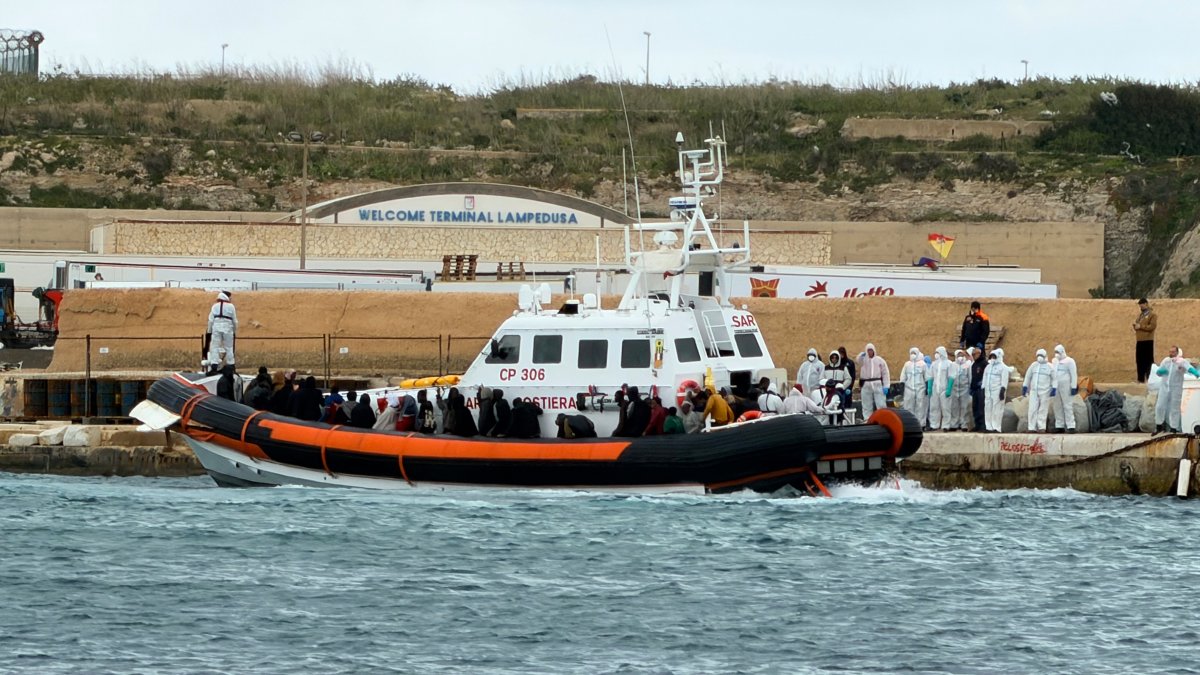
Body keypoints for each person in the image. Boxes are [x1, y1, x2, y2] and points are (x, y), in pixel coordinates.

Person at [1154, 347, 1199, 434]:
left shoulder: (1181, 362)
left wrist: (1195, 373)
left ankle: (1173, 428)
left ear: (1177, 353)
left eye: (1173, 352)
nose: (1171, 353)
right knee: (1160, 406)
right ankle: (1159, 426)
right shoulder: (1166, 361)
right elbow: (1158, 372)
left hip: (1176, 389)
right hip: (1164, 388)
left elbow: (1189, 367)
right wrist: (1160, 371)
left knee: (1174, 408)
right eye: (1170, 352)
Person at [1023, 348, 1055, 432]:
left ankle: (1041, 427)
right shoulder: (1033, 365)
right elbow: (1028, 376)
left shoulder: (1050, 366)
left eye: (1041, 356)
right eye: (1038, 355)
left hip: (1045, 391)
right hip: (1034, 391)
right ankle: (1031, 427)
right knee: (1032, 408)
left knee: (1043, 409)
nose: (1039, 357)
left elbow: (1055, 378)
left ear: (1045, 356)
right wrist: (1025, 386)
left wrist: (1054, 388)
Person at [982, 348, 1014, 432]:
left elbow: (1004, 379)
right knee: (988, 409)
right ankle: (988, 427)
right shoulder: (988, 367)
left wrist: (1002, 389)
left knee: (997, 410)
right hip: (988, 391)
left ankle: (996, 427)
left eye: (994, 357)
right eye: (991, 356)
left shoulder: (1003, 368)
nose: (992, 358)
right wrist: (983, 387)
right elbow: (985, 377)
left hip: (997, 391)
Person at [857, 343, 891, 419]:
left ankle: (883, 419)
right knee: (866, 405)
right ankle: (867, 420)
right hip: (866, 384)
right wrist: (861, 356)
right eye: (868, 350)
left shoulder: (880, 360)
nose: (869, 352)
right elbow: (858, 361)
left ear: (874, 350)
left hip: (877, 383)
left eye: (871, 350)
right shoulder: (863, 360)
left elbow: (885, 373)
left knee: (881, 404)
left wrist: (886, 386)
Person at [1051, 344, 1079, 433]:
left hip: (1066, 386)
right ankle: (1059, 425)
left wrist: (1073, 386)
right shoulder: (1054, 361)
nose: (1056, 354)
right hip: (1056, 386)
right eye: (1055, 352)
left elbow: (1073, 375)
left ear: (1062, 351)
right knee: (1057, 405)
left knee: (1067, 405)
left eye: (1058, 352)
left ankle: (1071, 425)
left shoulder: (1070, 361)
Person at [206, 291, 238, 369]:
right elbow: (235, 321)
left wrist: (209, 331)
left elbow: (210, 320)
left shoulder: (214, 306)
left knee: (215, 347)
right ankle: (231, 365)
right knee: (229, 347)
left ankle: (214, 365)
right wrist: (234, 331)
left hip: (216, 327)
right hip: (228, 328)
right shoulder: (231, 306)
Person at [900, 346, 930, 426]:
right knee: (908, 406)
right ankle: (909, 424)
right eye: (911, 353)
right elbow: (903, 377)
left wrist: (927, 387)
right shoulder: (907, 364)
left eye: (914, 353)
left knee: (920, 407)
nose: (913, 355)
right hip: (909, 389)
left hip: (920, 388)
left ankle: (921, 424)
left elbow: (927, 376)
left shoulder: (923, 364)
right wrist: (902, 387)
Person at [928, 346, 955, 431]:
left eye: (937, 352)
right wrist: (929, 387)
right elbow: (930, 376)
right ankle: (934, 425)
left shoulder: (949, 363)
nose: (936, 354)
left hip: (944, 389)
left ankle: (946, 425)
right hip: (935, 389)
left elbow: (951, 376)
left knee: (946, 408)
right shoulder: (933, 364)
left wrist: (949, 389)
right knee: (934, 407)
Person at [1133, 298, 1157, 383]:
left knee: (1148, 360)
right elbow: (1138, 324)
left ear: (1146, 304)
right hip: (1140, 341)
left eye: (1142, 304)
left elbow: (1152, 327)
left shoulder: (1152, 315)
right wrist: (1135, 326)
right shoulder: (1140, 315)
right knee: (1139, 360)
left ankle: (1150, 378)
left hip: (1147, 340)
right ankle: (1140, 379)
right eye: (1140, 305)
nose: (1141, 306)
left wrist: (1141, 327)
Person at [951, 349, 973, 431]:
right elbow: (950, 376)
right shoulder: (953, 365)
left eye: (961, 355)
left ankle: (964, 424)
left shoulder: (967, 365)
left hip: (964, 388)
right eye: (958, 355)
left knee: (964, 407)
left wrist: (970, 387)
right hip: (954, 388)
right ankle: (954, 424)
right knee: (954, 407)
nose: (960, 357)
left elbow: (969, 376)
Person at [970, 345, 988, 431]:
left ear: (979, 353)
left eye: (975, 354)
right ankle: (977, 424)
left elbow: (986, 376)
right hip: (975, 389)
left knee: (981, 407)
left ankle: (983, 425)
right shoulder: (974, 365)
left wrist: (981, 383)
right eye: (972, 354)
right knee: (975, 407)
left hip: (981, 388)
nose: (973, 356)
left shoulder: (984, 363)